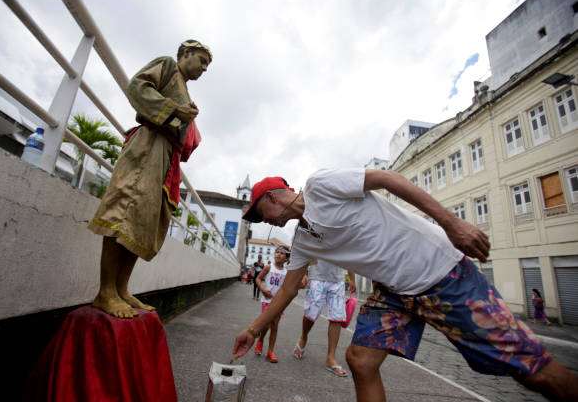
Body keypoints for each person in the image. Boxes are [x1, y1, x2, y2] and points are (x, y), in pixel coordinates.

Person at [232, 169, 578, 401]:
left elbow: (388, 178)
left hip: (441, 274)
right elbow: (289, 290)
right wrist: (253, 328)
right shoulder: (303, 239)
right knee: (361, 359)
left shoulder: (321, 185)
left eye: (261, 214)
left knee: (531, 369)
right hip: (395, 294)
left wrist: (451, 223)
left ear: (273, 197)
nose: (266, 222)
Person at [87, 40, 212, 318]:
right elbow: (137, 87)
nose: (204, 68)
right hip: (149, 145)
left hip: (166, 156)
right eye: (201, 60)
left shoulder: (185, 88)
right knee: (125, 208)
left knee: (143, 219)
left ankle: (121, 288)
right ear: (186, 54)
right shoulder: (167, 64)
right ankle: (105, 291)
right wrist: (174, 110)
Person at [293, 260, 356, 377]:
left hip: (338, 279)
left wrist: (352, 278)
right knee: (310, 314)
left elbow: (348, 253)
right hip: (317, 275)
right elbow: (308, 247)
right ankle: (303, 337)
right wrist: (303, 273)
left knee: (337, 317)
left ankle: (331, 358)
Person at [253, 245, 290, 363]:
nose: (278, 254)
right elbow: (258, 279)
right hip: (267, 300)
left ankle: (270, 351)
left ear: (286, 258)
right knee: (266, 324)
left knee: (275, 325)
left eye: (282, 253)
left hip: (279, 302)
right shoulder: (269, 267)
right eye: (277, 252)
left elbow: (289, 286)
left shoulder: (287, 272)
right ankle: (260, 341)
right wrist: (263, 290)